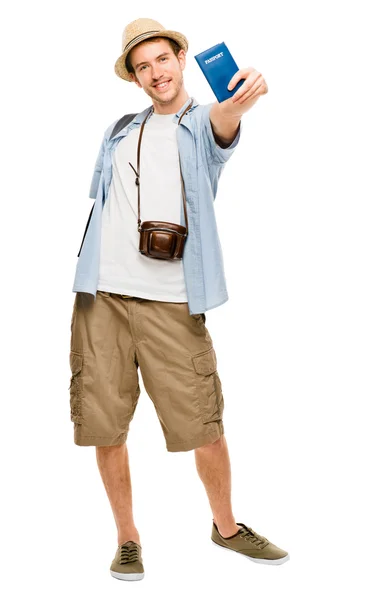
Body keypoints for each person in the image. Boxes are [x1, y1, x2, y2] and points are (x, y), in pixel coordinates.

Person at [69, 17, 289, 581]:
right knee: (105, 422)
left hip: (171, 302)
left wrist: (241, 98)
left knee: (203, 423)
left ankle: (227, 528)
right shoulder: (120, 128)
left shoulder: (201, 126)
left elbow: (227, 119)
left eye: (161, 59)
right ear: (135, 77)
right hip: (101, 299)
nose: (154, 72)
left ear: (181, 58)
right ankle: (127, 538)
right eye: (142, 66)